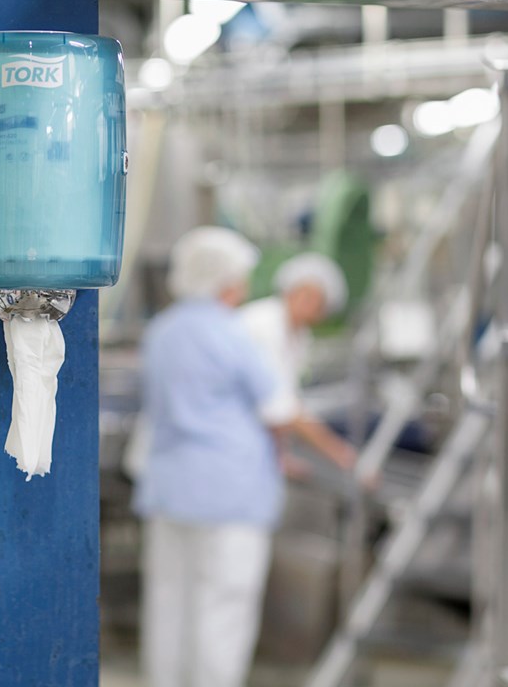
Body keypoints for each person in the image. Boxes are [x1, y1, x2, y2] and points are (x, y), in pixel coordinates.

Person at [134, 228, 356, 687]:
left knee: (168, 602)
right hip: (229, 494)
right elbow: (279, 410)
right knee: (224, 608)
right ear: (228, 281)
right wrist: (336, 453)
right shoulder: (232, 334)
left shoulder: (162, 331)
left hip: (170, 487)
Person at [239, 252, 354, 480]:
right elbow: (280, 405)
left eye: (317, 301)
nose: (308, 305)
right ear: (289, 290)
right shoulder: (263, 323)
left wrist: (279, 456)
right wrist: (340, 453)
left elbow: (282, 403)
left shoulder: (300, 336)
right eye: (305, 294)